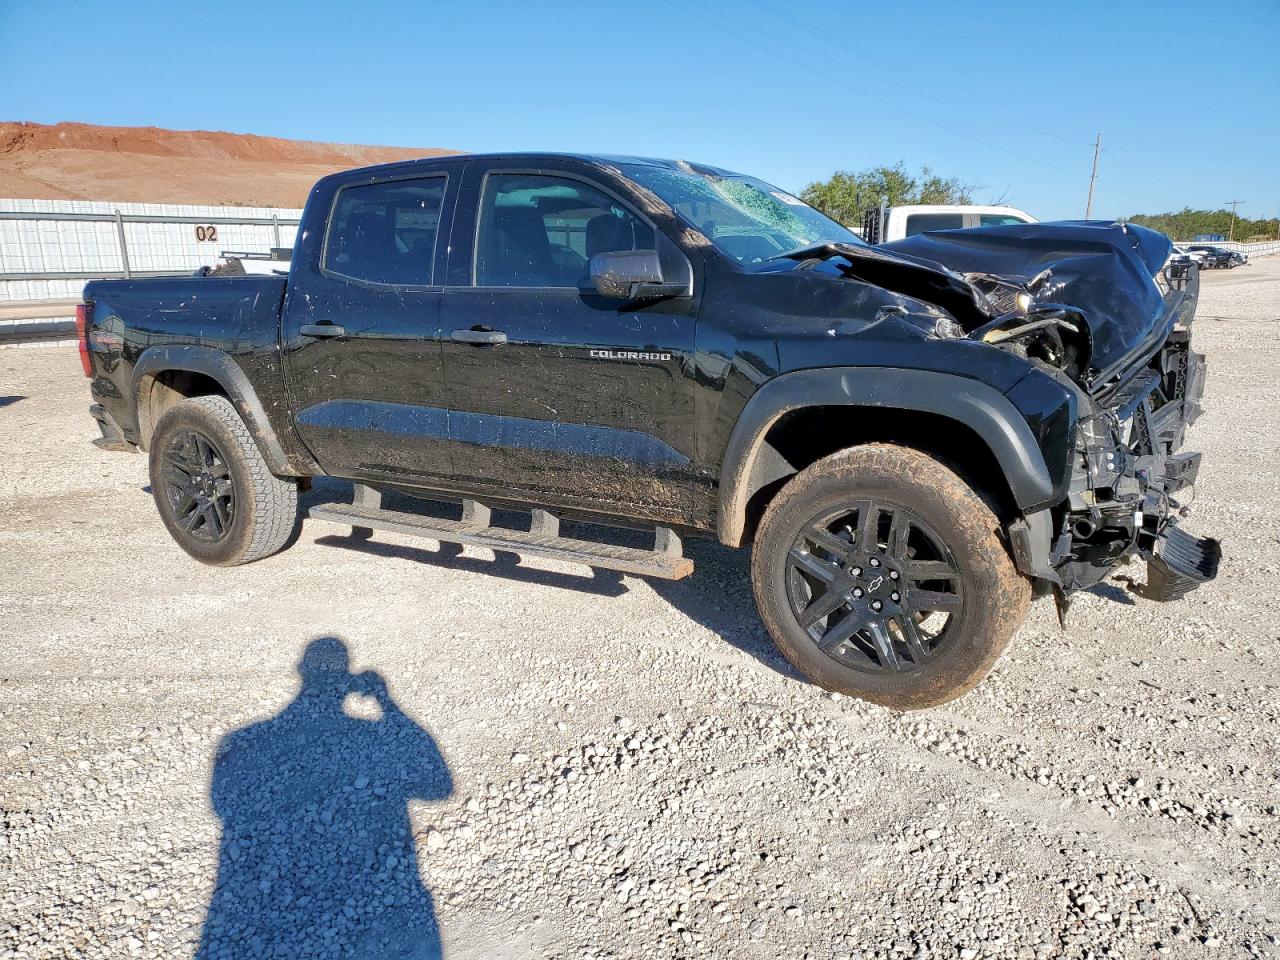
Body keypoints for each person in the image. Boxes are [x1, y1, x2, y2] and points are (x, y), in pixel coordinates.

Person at [197, 637, 452, 959]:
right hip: (372, 898)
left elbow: (222, 805)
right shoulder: (368, 734)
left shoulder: (245, 738)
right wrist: (387, 704)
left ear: (301, 670)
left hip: (263, 907)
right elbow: (439, 786)